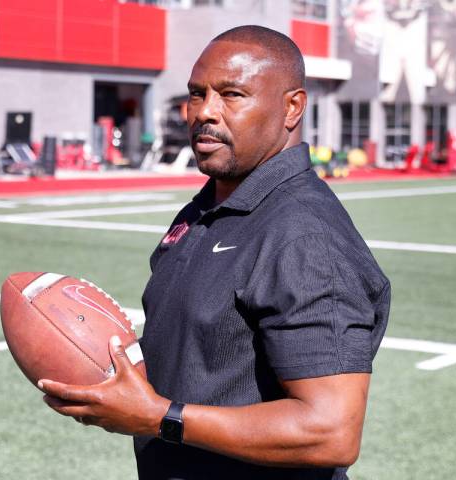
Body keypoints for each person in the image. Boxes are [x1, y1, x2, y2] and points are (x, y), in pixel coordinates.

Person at [39, 25, 390, 480]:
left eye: (232, 95)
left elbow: (329, 431)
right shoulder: (208, 206)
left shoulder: (304, 236)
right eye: (196, 94)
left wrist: (158, 417)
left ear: (292, 107)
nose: (205, 112)